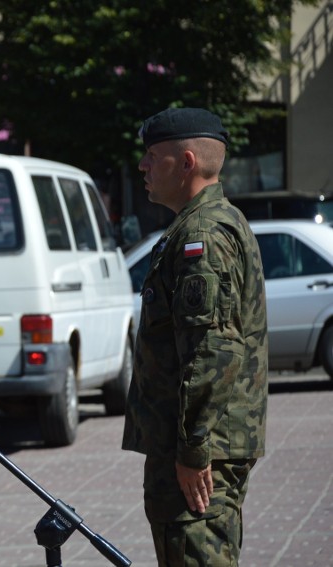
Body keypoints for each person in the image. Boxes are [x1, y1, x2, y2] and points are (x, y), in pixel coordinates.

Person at [122, 107, 268, 566]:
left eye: (151, 156)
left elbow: (212, 349)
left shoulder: (202, 233)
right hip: (201, 447)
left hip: (199, 455)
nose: (143, 166)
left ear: (186, 162)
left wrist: (193, 448)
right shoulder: (207, 223)